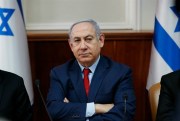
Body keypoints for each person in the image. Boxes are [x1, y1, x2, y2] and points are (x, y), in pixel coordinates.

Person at [46, 19, 136, 121]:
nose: (83, 47)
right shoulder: (59, 73)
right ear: (71, 45)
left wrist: (73, 109)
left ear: (101, 40)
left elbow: (125, 113)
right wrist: (97, 108)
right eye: (77, 40)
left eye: (88, 39)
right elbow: (54, 111)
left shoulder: (120, 73)